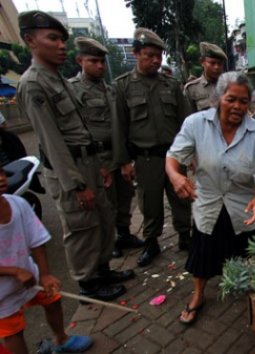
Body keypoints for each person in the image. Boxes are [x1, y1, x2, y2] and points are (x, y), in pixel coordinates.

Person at [16, 10, 131, 301]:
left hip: (91, 162)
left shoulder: (59, 80)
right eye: (52, 38)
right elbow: (52, 141)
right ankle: (87, 283)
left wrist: (102, 166)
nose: (61, 45)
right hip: (70, 170)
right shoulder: (33, 84)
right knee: (81, 227)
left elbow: (83, 127)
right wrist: (76, 184)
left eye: (62, 39)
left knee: (103, 219)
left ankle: (102, 270)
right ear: (30, 40)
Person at [166, 72, 255, 324]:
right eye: (231, 99)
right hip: (208, 200)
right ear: (218, 99)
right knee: (202, 251)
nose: (238, 106)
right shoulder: (195, 124)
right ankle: (198, 295)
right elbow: (174, 156)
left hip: (243, 202)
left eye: (244, 101)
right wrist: (175, 176)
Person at [113, 28, 192, 267]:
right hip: (145, 158)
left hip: (174, 155)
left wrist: (191, 153)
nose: (156, 60)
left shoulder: (172, 85)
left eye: (159, 56)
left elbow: (186, 122)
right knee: (149, 202)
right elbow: (119, 126)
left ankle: (185, 237)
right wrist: (124, 161)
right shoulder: (123, 86)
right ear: (136, 53)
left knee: (181, 197)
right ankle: (151, 242)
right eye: (149, 55)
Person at [0, 167, 93, 354]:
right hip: (2, 294)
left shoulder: (19, 204)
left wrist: (44, 274)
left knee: (53, 300)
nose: (1, 178)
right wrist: (15, 272)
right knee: (13, 333)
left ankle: (61, 339)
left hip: (30, 274)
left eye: (1, 172)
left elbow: (37, 240)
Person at [68, 37, 143, 258]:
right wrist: (99, 165)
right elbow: (78, 131)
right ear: (80, 60)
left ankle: (124, 234)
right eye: (94, 61)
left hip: (118, 153)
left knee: (124, 196)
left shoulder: (111, 90)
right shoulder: (73, 90)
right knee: (105, 202)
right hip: (96, 157)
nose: (100, 66)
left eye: (102, 61)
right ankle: (108, 245)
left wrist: (125, 159)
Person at [184, 42, 227, 113]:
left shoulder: (230, 86)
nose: (216, 67)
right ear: (202, 62)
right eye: (212, 63)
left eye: (220, 64)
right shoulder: (192, 89)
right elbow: (188, 119)